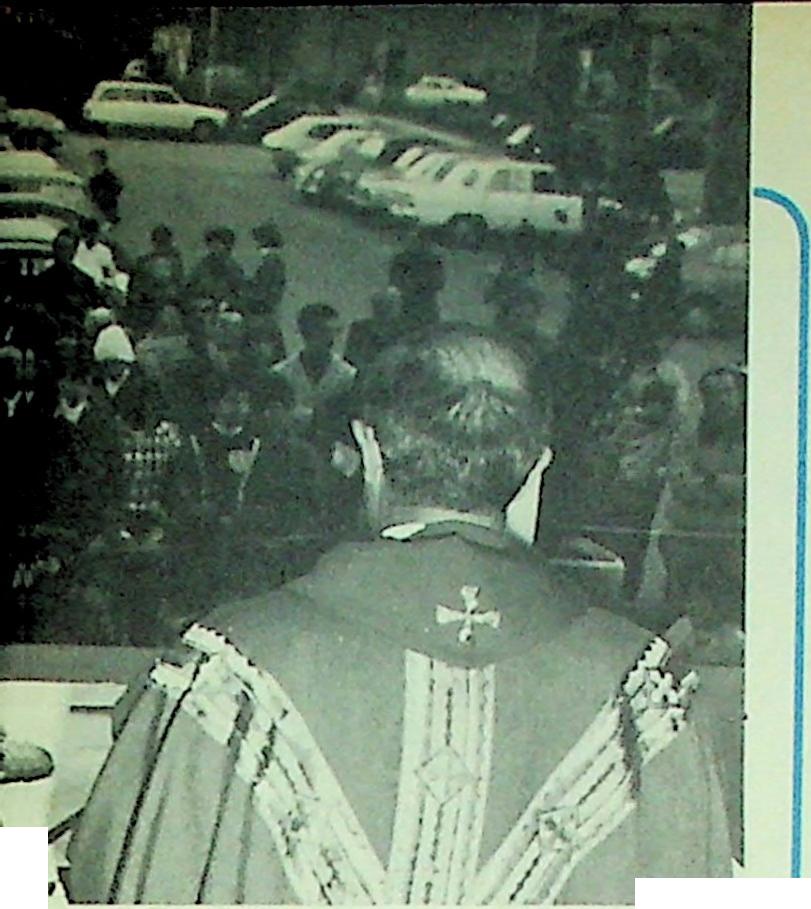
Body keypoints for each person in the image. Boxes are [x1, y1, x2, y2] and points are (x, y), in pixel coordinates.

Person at [67, 324, 732, 904]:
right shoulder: (646, 695)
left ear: (370, 453)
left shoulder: (228, 672)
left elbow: (110, 870)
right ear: (536, 471)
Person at [271, 303, 357, 428]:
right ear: (304, 332)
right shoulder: (281, 374)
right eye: (320, 331)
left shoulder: (347, 376)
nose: (330, 338)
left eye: (334, 332)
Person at [33, 228, 104, 340]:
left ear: (73, 251)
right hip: (49, 334)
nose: (60, 253)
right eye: (58, 248)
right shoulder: (42, 279)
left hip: (76, 335)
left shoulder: (84, 281)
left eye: (65, 248)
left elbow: (93, 308)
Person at [388, 229, 445, 333]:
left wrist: (424, 285)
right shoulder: (401, 259)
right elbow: (395, 279)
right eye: (411, 240)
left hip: (427, 303)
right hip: (408, 302)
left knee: (429, 329)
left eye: (419, 240)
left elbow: (439, 282)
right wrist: (406, 286)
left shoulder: (433, 261)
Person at [246, 221, 287, 364]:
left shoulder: (270, 261)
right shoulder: (274, 261)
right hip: (269, 309)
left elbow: (262, 290)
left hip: (264, 311)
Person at [344, 286, 405, 373]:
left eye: (395, 305)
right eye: (386, 305)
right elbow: (350, 356)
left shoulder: (398, 334)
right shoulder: (359, 328)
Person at [188, 226, 246, 307]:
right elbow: (191, 287)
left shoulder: (233, 268)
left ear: (228, 247)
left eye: (219, 245)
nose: (214, 248)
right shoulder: (202, 266)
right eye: (211, 245)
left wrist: (226, 303)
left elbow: (239, 293)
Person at [88, 148, 123, 226]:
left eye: (95, 160)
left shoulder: (107, 175)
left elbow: (117, 186)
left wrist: (107, 194)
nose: (93, 163)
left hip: (106, 203)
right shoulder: (93, 176)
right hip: (99, 205)